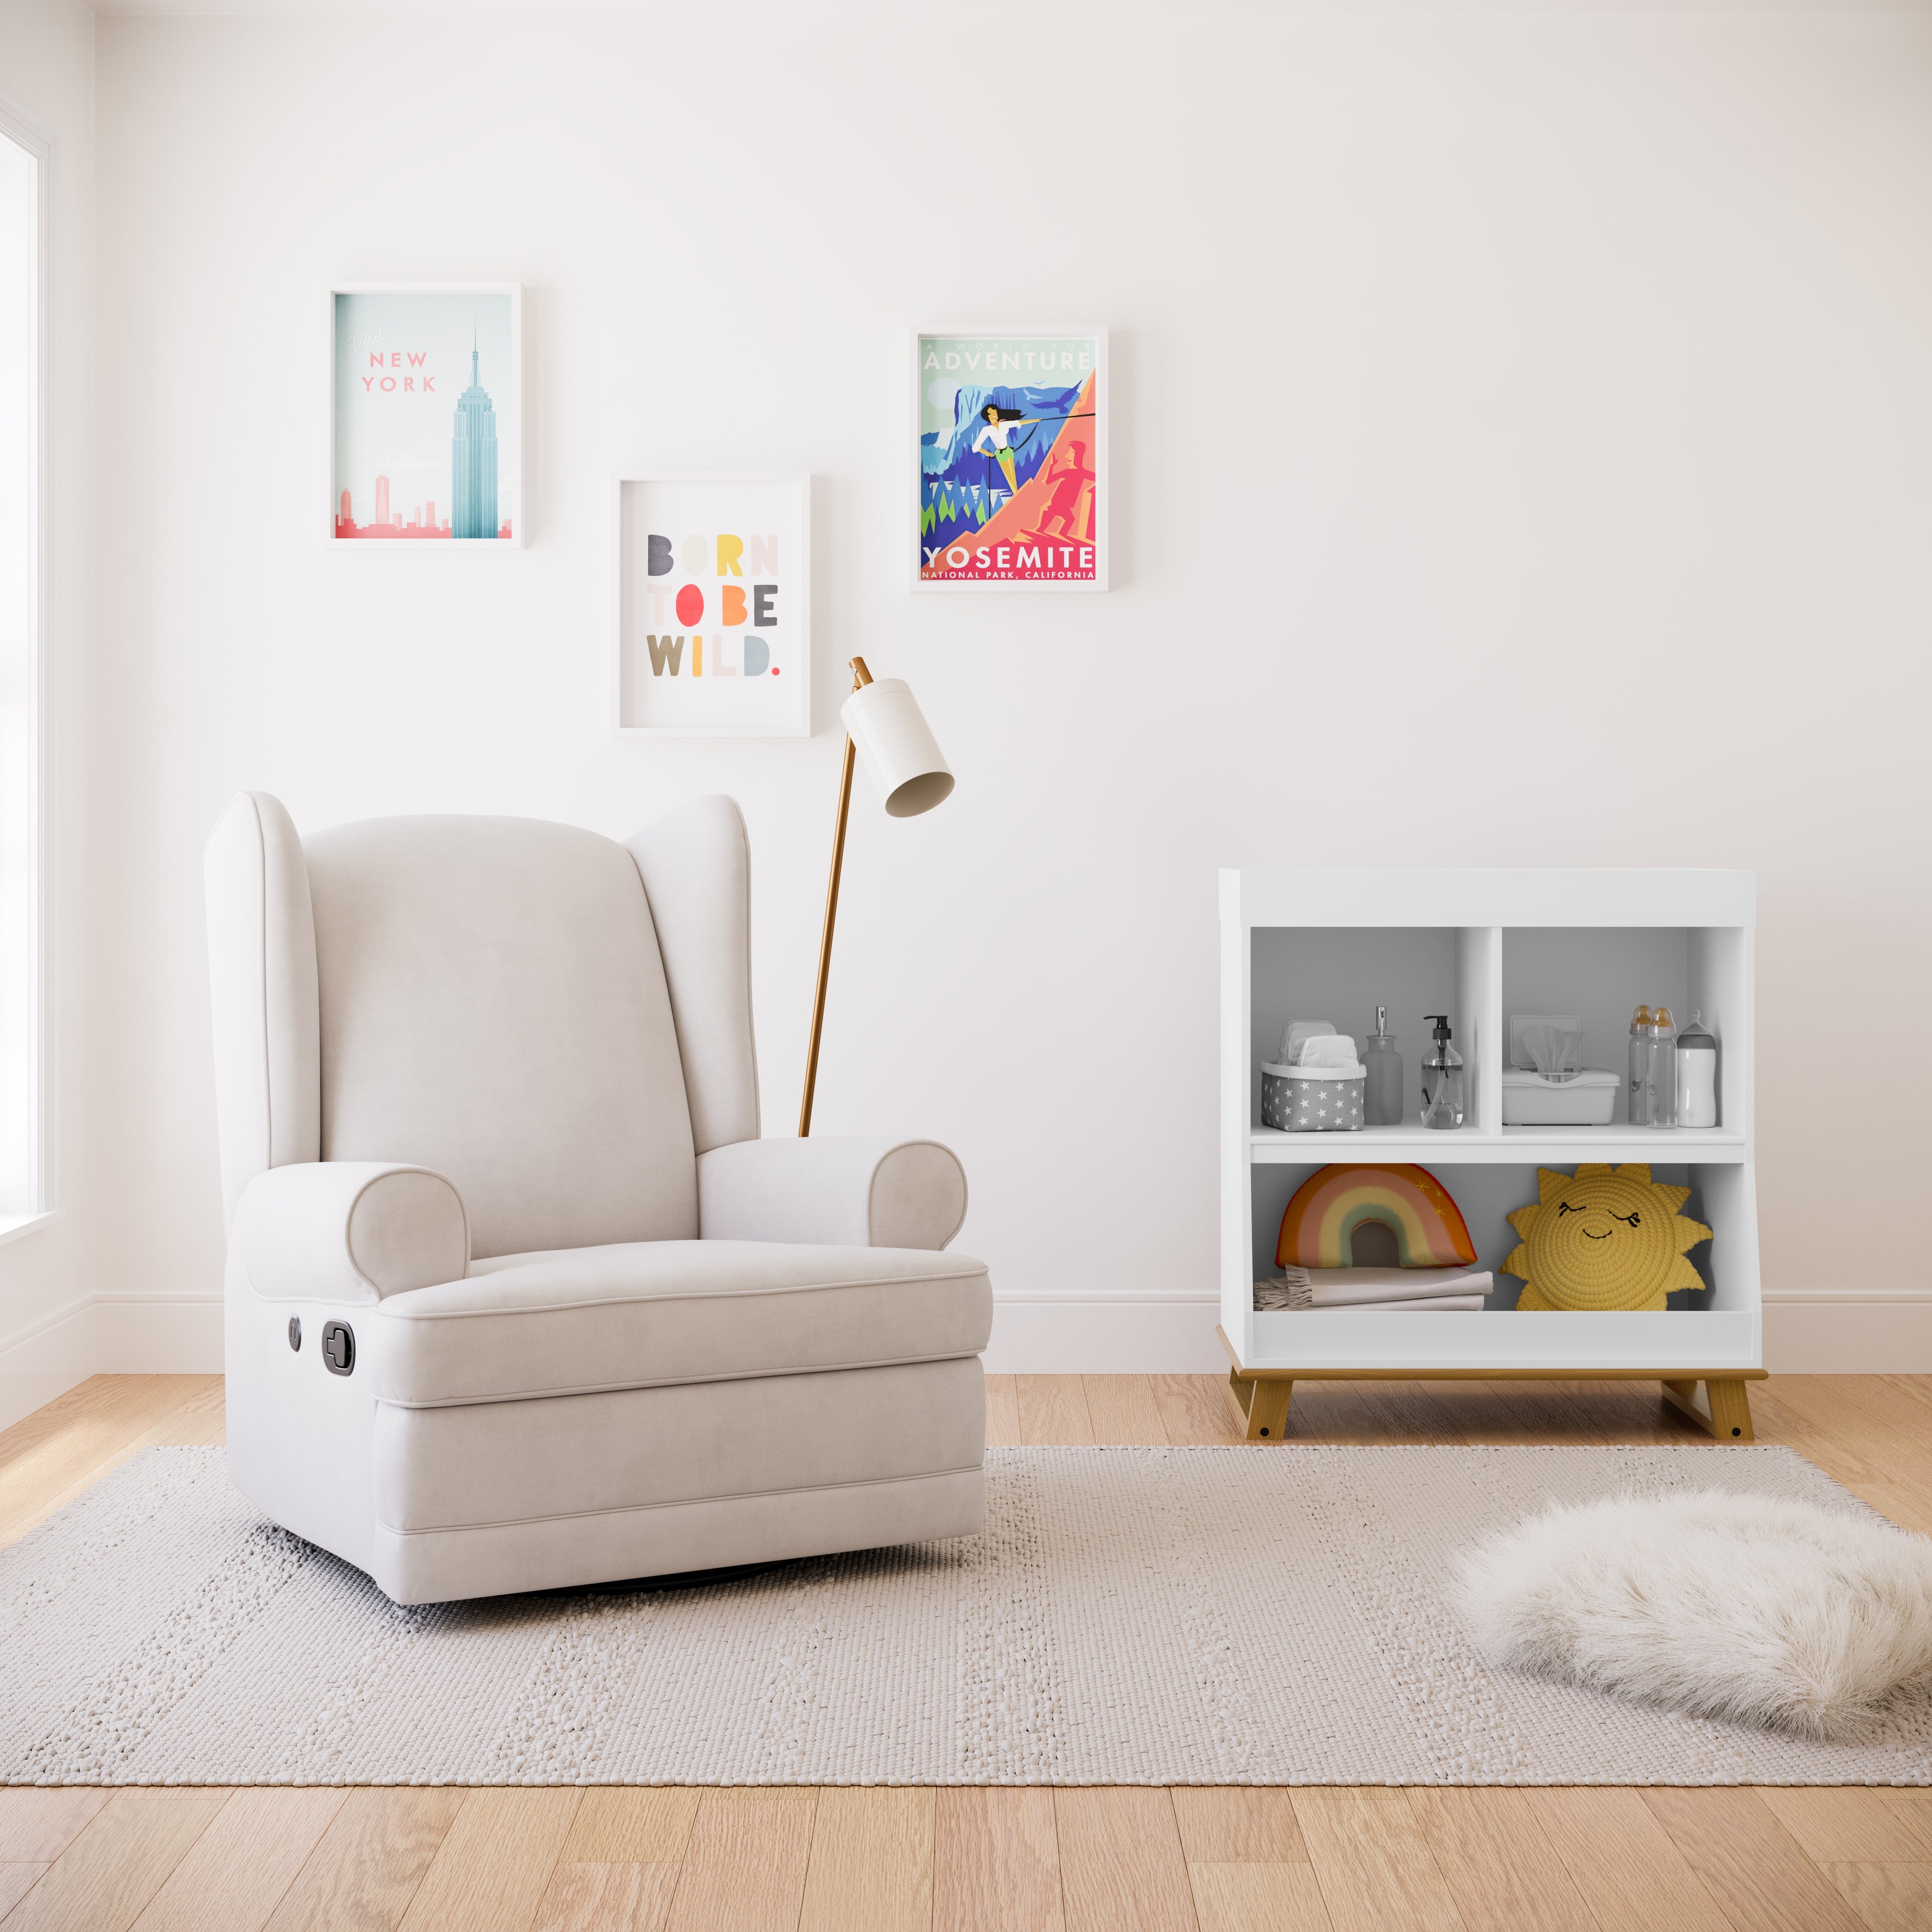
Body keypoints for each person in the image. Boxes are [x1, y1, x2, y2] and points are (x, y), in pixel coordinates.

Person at [972, 403, 1040, 495]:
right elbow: (976, 447)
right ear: (987, 416)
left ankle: (1016, 494)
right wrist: (988, 453)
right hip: (1000, 453)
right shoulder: (987, 429)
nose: (994, 413)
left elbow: (1018, 423)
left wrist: (1035, 420)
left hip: (1008, 451)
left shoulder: (1004, 424)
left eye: (995, 411)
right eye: (991, 413)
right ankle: (1016, 494)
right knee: (1008, 475)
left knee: (1012, 475)